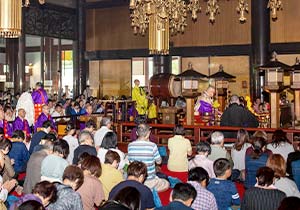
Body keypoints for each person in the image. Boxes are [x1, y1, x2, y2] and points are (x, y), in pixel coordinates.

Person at [128, 123, 169, 192]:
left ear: (137, 133)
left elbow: (130, 162)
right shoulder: (152, 146)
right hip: (150, 180)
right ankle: (148, 189)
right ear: (148, 133)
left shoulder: (130, 145)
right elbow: (159, 162)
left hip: (135, 179)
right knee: (166, 184)